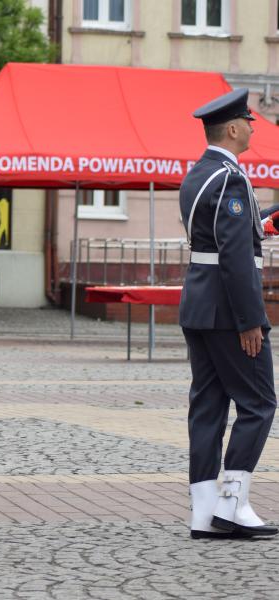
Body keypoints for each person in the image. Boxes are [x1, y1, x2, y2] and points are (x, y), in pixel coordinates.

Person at [180, 87, 278, 539]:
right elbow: (236, 257)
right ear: (234, 128)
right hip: (227, 311)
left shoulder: (199, 174)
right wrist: (251, 321)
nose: (254, 127)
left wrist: (265, 223)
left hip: (200, 305)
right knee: (259, 404)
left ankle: (203, 512)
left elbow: (221, 237)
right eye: (250, 121)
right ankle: (231, 502)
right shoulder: (231, 180)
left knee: (208, 407)